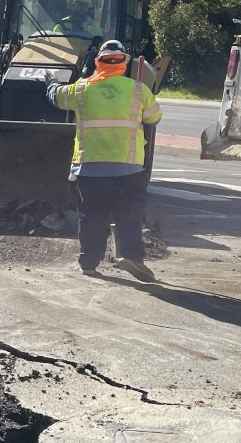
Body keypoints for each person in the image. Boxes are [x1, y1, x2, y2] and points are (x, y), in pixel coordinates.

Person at [47, 40, 162, 281]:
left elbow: (57, 98)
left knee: (92, 215)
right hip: (128, 167)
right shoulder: (139, 90)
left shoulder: (80, 89)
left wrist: (51, 84)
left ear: (97, 62)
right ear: (124, 63)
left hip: (91, 167)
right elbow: (154, 118)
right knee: (129, 212)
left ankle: (89, 262)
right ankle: (131, 255)